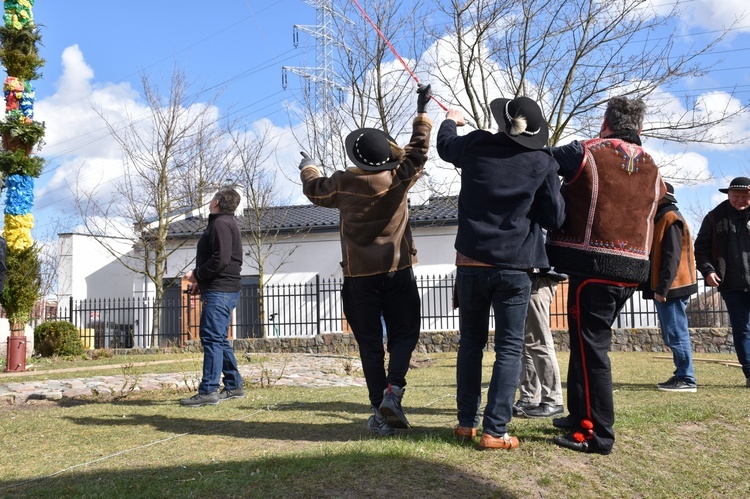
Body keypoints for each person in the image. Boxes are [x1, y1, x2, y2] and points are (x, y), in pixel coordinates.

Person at [299, 84, 433, 435]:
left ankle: (379, 409)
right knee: (405, 333)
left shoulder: (341, 184)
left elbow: (313, 189)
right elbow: (417, 153)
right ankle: (394, 391)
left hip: (358, 278)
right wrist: (421, 113)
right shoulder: (398, 180)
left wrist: (308, 166)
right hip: (397, 270)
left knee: (370, 344)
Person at [436, 96, 565, 450]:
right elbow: (555, 218)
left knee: (470, 345)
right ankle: (495, 431)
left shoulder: (476, 144)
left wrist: (451, 118)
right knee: (509, 348)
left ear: (501, 122)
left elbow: (445, 147)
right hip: (515, 266)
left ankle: (465, 425)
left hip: (471, 263)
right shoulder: (543, 162)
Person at [546, 96, 666, 454]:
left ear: (605, 121)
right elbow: (663, 199)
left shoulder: (586, 151)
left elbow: (541, 157)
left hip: (593, 266)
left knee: (592, 350)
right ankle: (577, 414)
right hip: (632, 270)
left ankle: (597, 433)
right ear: (639, 128)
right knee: (586, 343)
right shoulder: (653, 166)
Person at [180, 187, 245, 407]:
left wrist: (196, 275)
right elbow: (222, 260)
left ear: (216, 202)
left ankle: (208, 390)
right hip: (221, 288)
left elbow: (221, 260)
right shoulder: (226, 223)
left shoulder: (220, 224)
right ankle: (234, 386)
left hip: (220, 290)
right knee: (218, 338)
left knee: (211, 339)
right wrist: (201, 282)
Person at [641, 182, 698, 392]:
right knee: (673, 332)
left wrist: (662, 289)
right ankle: (682, 374)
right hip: (671, 286)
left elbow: (672, 258)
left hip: (673, 287)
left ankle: (686, 378)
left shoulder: (670, 218)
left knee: (676, 332)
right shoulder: (666, 217)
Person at [694, 176, 750, 388]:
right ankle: (749, 372)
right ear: (728, 195)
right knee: (741, 328)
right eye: (736, 196)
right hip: (730, 283)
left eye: (745, 196)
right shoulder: (714, 217)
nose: (740, 200)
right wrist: (708, 271)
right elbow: (701, 249)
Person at [513, 269, 566, 418]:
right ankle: (529, 398)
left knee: (539, 341)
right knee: (527, 343)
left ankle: (553, 400)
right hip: (530, 278)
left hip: (539, 278)